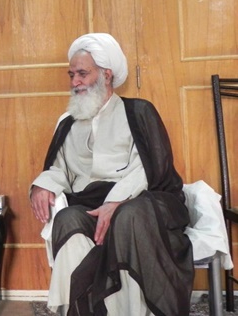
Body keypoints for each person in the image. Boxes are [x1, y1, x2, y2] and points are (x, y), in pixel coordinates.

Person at [29, 33, 193, 315]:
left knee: (127, 217)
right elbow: (58, 168)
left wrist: (115, 202)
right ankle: (83, 310)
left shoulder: (138, 112)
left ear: (106, 75)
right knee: (67, 219)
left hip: (142, 200)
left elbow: (149, 167)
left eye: (82, 74)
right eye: (72, 75)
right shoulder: (67, 122)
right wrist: (42, 186)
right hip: (90, 203)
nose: (75, 82)